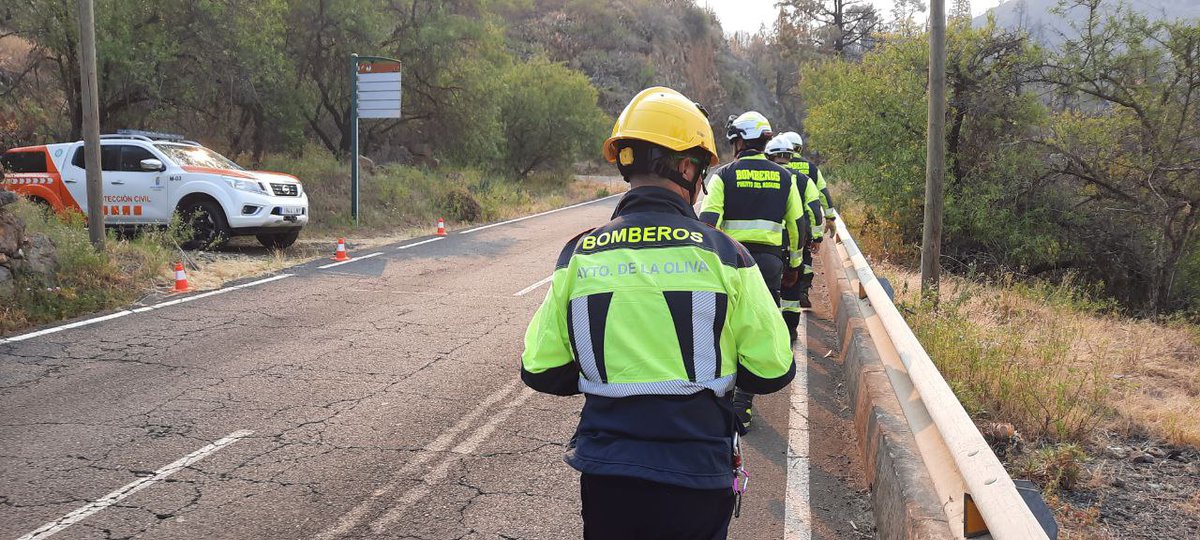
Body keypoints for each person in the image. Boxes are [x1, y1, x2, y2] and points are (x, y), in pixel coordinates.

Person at [520, 87, 795, 540]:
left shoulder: (580, 254)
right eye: (701, 170)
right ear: (687, 167)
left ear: (627, 161)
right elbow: (773, 369)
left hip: (607, 475)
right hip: (698, 473)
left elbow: (540, 367)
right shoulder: (727, 255)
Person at [698, 112, 806, 434]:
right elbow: (798, 225)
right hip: (770, 265)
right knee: (756, 329)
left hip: (730, 263)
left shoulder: (723, 176)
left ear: (740, 141)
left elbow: (707, 222)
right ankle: (743, 405)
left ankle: (716, 394)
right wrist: (795, 266)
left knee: (722, 326)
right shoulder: (785, 178)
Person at [765, 135, 822, 340]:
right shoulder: (804, 180)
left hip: (769, 242)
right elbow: (815, 210)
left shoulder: (769, 178)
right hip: (794, 240)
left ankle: (769, 329)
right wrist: (817, 237)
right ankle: (790, 329)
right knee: (791, 287)